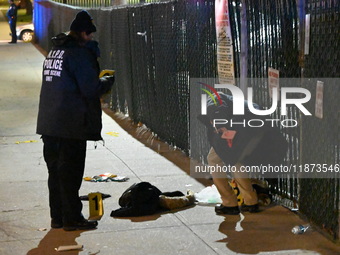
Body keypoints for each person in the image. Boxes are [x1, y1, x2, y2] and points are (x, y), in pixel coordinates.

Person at [36, 10, 114, 231]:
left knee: (55, 174)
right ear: (82, 33)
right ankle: (73, 219)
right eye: (89, 34)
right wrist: (106, 81)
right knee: (70, 174)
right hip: (70, 124)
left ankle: (58, 217)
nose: (90, 38)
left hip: (49, 124)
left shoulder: (55, 51)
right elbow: (90, 88)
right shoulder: (78, 54)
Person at [199, 92, 287, 215]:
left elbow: (217, 108)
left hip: (246, 129)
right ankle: (249, 201)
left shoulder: (213, 100)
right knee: (226, 159)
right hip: (252, 128)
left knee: (227, 159)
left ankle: (231, 203)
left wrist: (219, 123)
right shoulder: (229, 103)